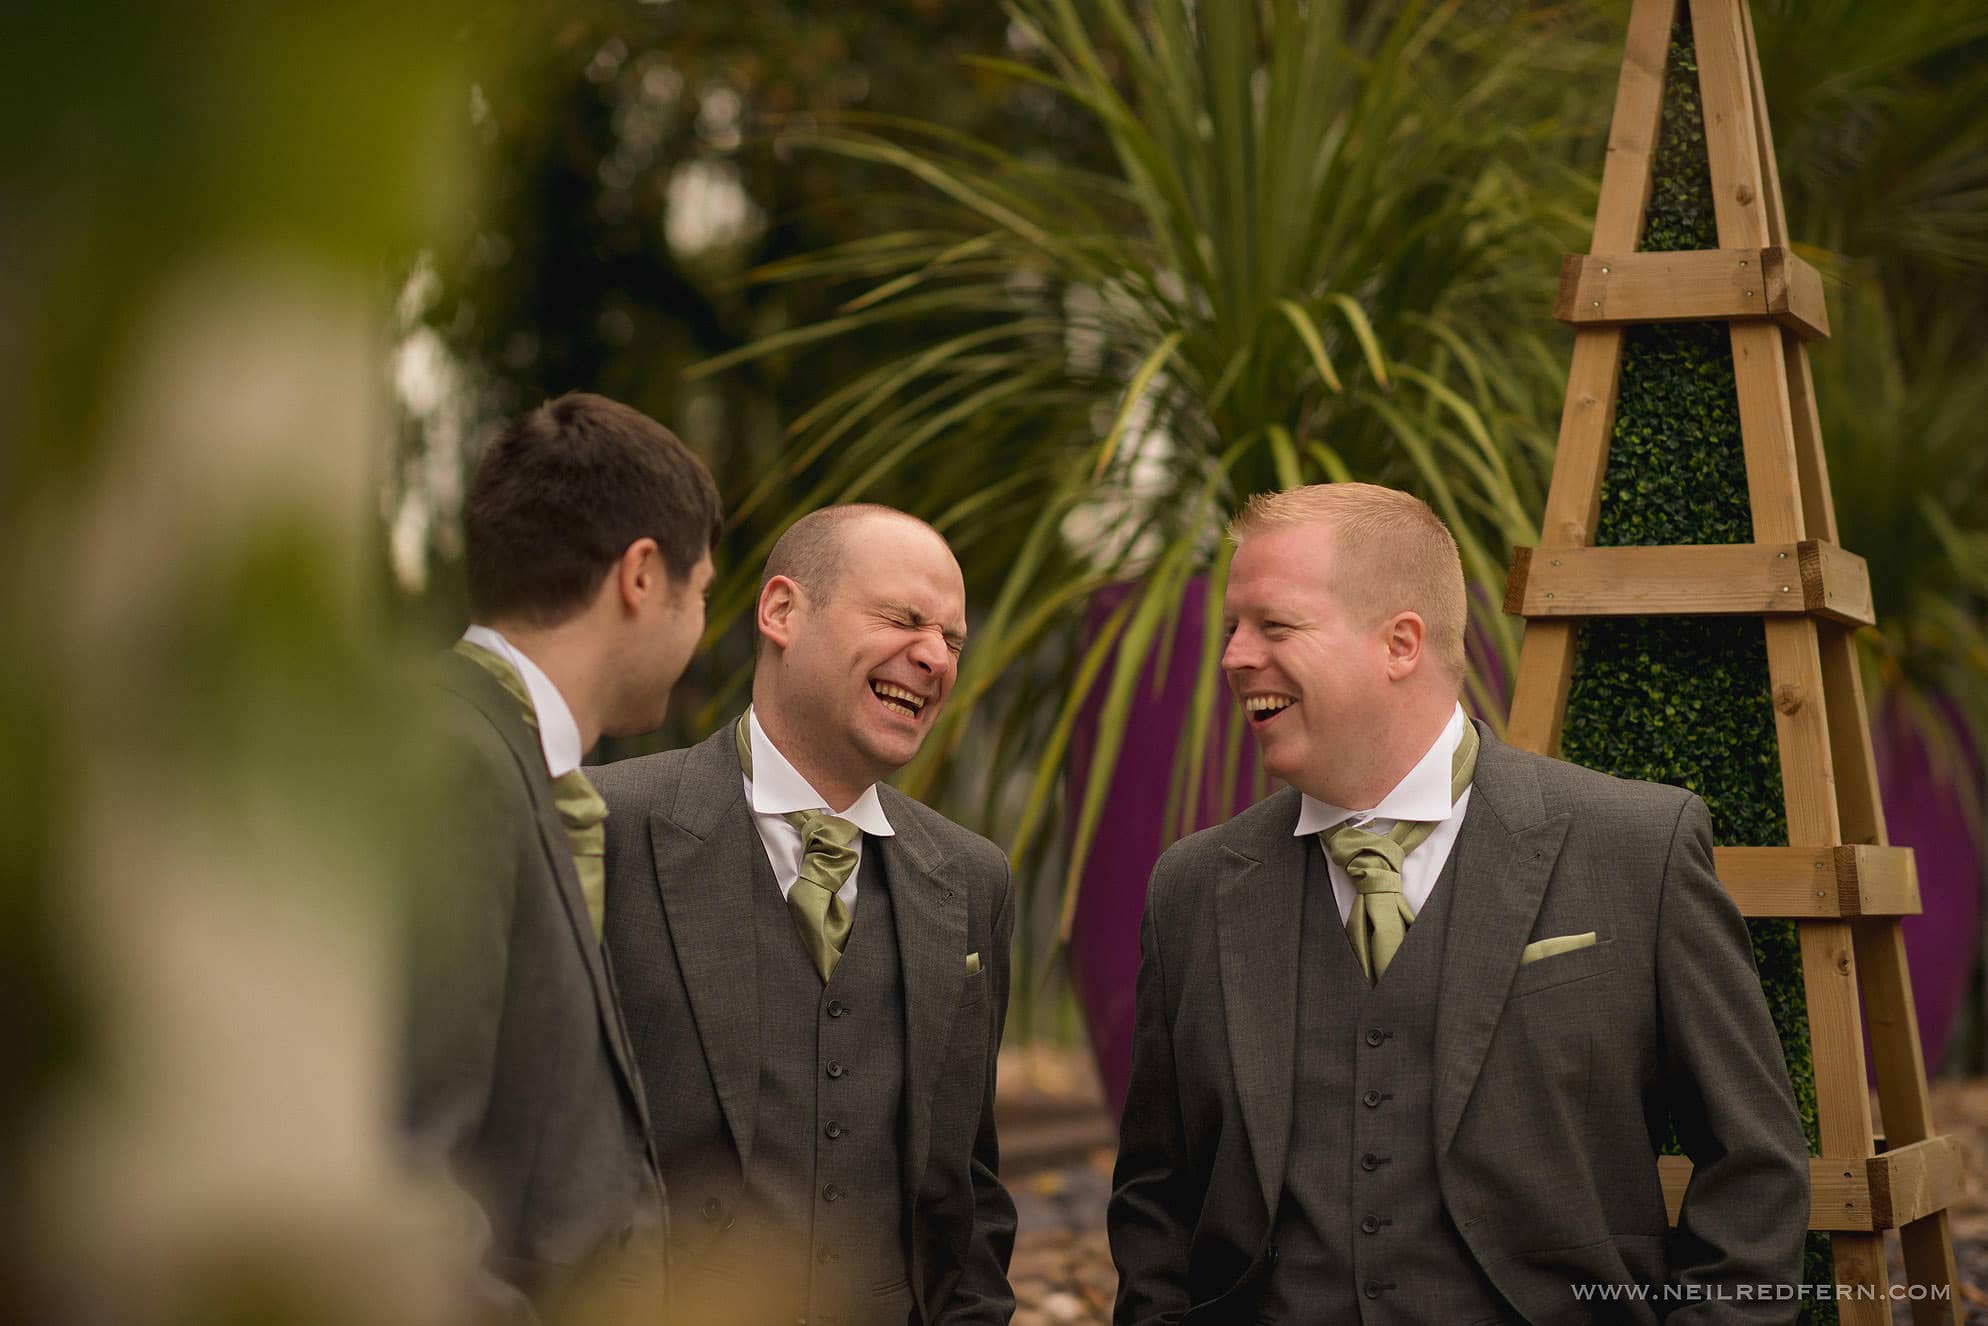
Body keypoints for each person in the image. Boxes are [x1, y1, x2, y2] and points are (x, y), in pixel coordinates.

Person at [1108, 483, 1809, 1323]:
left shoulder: (1634, 848)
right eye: (1230, 629)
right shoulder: (1190, 889)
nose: (1233, 657)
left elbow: (1756, 1169)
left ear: (1400, 643)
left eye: (1273, 625)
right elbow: (1155, 1200)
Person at [594, 503, 1017, 1325]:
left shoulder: (971, 878)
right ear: (782, 611)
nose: (932, 655)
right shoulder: (604, 829)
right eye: (902, 618)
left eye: (952, 639)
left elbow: (969, 1192)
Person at [402, 391, 721, 1318]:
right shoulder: (456, 768)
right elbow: (406, 1169)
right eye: (701, 596)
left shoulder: (498, 757)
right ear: (642, 576)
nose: (699, 626)